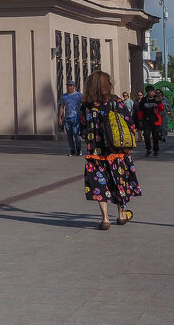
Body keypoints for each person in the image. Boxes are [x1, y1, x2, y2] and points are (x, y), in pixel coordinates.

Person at [78, 71, 141, 229]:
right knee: (120, 181)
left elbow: (82, 128)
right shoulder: (115, 101)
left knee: (99, 184)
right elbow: (129, 122)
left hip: (95, 152)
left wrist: (89, 140)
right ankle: (120, 215)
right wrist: (129, 144)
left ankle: (105, 218)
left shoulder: (86, 104)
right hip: (116, 151)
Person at [133, 84, 166, 157]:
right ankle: (148, 149)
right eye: (150, 92)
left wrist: (159, 101)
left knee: (155, 136)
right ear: (147, 92)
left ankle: (156, 150)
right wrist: (140, 120)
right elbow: (140, 111)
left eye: (153, 91)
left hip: (156, 120)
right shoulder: (144, 100)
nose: (152, 93)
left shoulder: (156, 99)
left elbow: (161, 109)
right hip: (147, 120)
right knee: (146, 135)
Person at [58, 80, 83, 156]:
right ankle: (72, 150)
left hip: (76, 117)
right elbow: (62, 107)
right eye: (68, 86)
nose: (69, 87)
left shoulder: (79, 95)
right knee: (69, 135)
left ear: (74, 86)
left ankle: (78, 149)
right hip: (67, 117)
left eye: (71, 86)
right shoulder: (64, 96)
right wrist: (60, 118)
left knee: (76, 134)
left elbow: (84, 105)